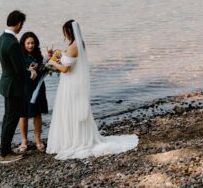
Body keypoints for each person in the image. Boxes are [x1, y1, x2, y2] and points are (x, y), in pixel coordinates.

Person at [45, 19, 138, 160]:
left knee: (70, 109)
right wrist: (58, 55)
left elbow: (65, 68)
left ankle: (74, 140)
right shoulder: (78, 44)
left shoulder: (74, 46)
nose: (65, 35)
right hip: (72, 81)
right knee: (72, 109)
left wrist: (51, 62)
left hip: (70, 83)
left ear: (69, 31)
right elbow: (68, 58)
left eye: (65, 32)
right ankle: (74, 137)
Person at [0, 10, 36, 163]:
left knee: (8, 118)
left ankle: (5, 150)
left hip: (6, 83)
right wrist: (30, 73)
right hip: (14, 87)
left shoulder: (1, 39)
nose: (21, 28)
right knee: (11, 119)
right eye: (22, 25)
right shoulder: (13, 43)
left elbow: (10, 66)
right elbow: (19, 70)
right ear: (19, 24)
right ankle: (5, 154)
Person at [18, 30, 49, 152]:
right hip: (25, 87)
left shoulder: (38, 55)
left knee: (37, 113)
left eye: (33, 43)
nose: (31, 45)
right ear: (23, 44)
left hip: (38, 87)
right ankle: (24, 140)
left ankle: (38, 140)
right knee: (23, 114)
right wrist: (28, 70)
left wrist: (47, 61)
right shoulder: (19, 56)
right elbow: (17, 72)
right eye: (28, 43)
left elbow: (43, 69)